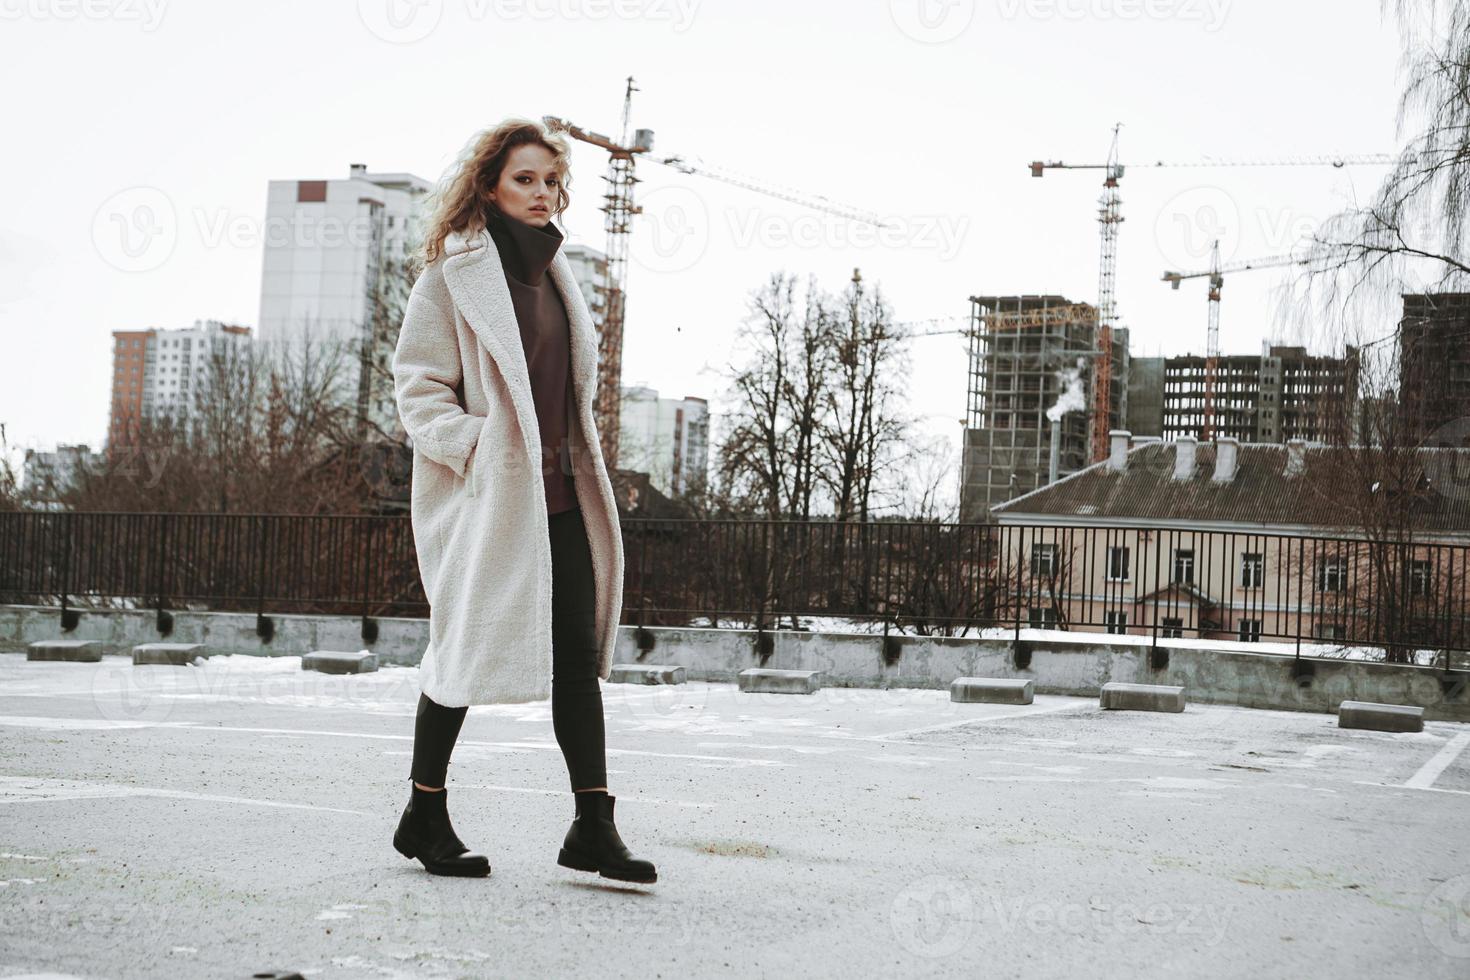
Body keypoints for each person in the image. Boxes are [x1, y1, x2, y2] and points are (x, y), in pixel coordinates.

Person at [388, 117, 655, 885]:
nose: (542, 194)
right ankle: (424, 811)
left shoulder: (561, 277)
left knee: (576, 659)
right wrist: (475, 448)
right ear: (489, 186)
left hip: (562, 494)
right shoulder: (452, 275)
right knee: (461, 651)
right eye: (525, 180)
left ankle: (594, 826)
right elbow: (418, 384)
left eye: (550, 180)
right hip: (490, 499)